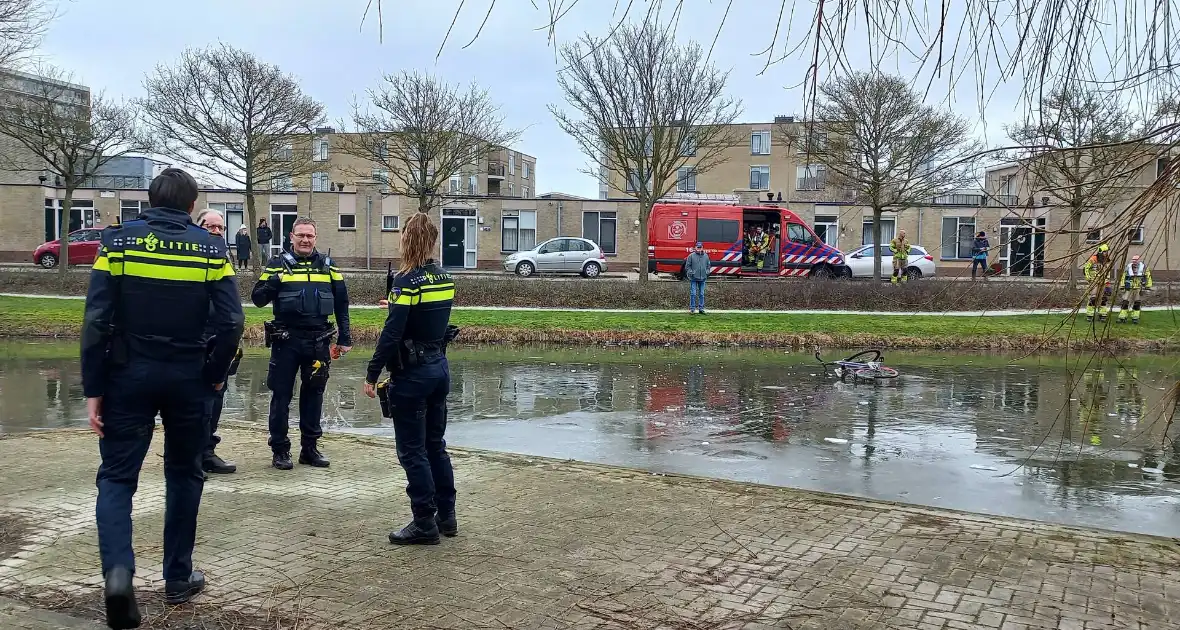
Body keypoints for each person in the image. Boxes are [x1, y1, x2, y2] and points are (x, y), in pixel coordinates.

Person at [81, 168, 244, 629]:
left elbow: (95, 320)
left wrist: (94, 389)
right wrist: (214, 375)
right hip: (189, 376)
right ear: (192, 206)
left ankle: (118, 575)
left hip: (126, 375)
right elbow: (232, 323)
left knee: (116, 478)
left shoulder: (117, 243)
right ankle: (177, 577)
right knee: (185, 474)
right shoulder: (211, 247)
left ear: (149, 200)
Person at [363, 213, 458, 546]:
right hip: (439, 370)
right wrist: (394, 304)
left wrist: (372, 373)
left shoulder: (406, 280)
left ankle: (423, 522)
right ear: (432, 241)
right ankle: (447, 516)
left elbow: (393, 333)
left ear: (407, 240)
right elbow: (428, 317)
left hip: (413, 374)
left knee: (412, 451)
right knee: (436, 446)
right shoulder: (444, 277)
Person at [252, 218, 352, 470]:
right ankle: (280, 450)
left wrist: (345, 337)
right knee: (281, 396)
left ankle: (309, 449)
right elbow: (258, 299)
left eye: (310, 236)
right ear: (291, 237)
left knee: (314, 395)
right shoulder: (276, 265)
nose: (305, 240)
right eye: (301, 235)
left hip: (318, 341)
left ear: (316, 238)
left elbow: (342, 305)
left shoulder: (329, 267)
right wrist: (274, 282)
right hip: (286, 341)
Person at [195, 209, 242, 475]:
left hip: (219, 340)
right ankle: (191, 454)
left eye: (221, 228)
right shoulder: (190, 259)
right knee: (194, 402)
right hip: (194, 339)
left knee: (216, 399)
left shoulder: (224, 259)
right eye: (210, 226)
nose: (216, 231)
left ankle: (208, 451)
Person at [1117, 254, 1153, 324]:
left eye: (1136, 260)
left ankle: (1135, 318)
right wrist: (1122, 285)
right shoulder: (1128, 267)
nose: (1134, 261)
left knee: (1137, 303)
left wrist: (1148, 286)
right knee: (1125, 302)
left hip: (1138, 288)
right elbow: (1124, 277)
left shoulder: (1144, 268)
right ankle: (1122, 317)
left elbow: (1148, 277)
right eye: (1133, 260)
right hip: (1129, 288)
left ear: (1139, 260)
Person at [1083, 242, 1112, 321]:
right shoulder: (1093, 259)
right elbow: (1086, 268)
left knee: (1104, 298)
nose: (1106, 253)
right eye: (1105, 251)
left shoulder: (1106, 260)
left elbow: (1108, 272)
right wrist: (1089, 278)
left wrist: (1108, 282)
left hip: (1103, 282)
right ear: (1101, 252)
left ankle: (1102, 314)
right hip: (1094, 281)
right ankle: (1090, 314)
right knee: (1093, 298)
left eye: (1107, 252)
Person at [684, 242, 711, 314]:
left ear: (702, 248)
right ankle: (692, 309)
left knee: (701, 294)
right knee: (693, 293)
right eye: (698, 247)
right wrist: (691, 272)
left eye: (700, 247)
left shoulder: (706, 256)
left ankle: (701, 309)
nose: (699, 249)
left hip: (703, 278)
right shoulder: (691, 256)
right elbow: (687, 266)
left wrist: (707, 271)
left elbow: (708, 265)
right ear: (695, 248)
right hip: (693, 278)